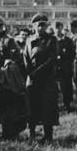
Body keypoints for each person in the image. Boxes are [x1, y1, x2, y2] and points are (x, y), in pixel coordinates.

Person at [0, 14, 26, 140]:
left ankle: (8, 133)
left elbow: (17, 60)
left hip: (6, 79)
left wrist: (5, 69)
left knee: (8, 106)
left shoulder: (9, 40)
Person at [25, 14, 59, 143]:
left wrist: (37, 72)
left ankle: (48, 136)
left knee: (47, 107)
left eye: (43, 25)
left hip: (47, 79)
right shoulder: (29, 40)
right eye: (38, 25)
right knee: (31, 106)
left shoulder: (51, 40)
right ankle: (31, 134)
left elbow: (52, 59)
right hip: (32, 80)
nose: (41, 28)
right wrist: (30, 73)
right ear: (33, 26)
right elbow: (26, 57)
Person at [54, 21, 75, 111]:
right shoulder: (52, 40)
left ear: (62, 29)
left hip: (64, 66)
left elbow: (72, 54)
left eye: (59, 28)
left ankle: (67, 105)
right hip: (53, 67)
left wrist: (65, 60)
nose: (58, 30)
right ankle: (55, 106)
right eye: (56, 28)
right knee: (53, 87)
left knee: (66, 87)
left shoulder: (68, 40)